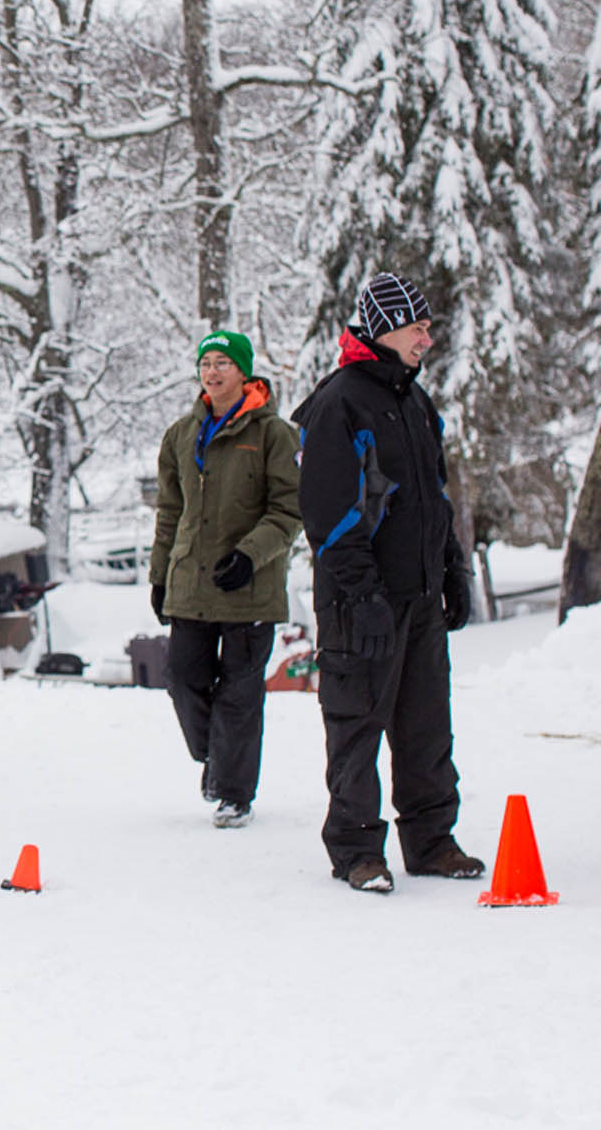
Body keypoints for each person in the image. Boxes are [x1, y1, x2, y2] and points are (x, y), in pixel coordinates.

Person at [292, 272, 482, 894]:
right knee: (356, 723)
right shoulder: (340, 402)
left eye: (429, 327)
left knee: (426, 722)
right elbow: (328, 514)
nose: (427, 337)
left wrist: (451, 567)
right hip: (359, 601)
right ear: (382, 328)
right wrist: (362, 594)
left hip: (420, 592)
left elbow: (434, 497)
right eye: (417, 326)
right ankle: (355, 849)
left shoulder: (414, 402)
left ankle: (431, 841)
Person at [148, 330, 302, 830]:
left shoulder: (274, 435)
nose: (212, 373)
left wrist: (250, 555)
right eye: (205, 364)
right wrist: (159, 576)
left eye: (223, 364)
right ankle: (217, 758)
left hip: (249, 586)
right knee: (183, 680)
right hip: (192, 583)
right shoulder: (180, 435)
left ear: (244, 371)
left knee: (240, 692)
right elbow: (169, 513)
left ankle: (234, 792)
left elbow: (290, 508)